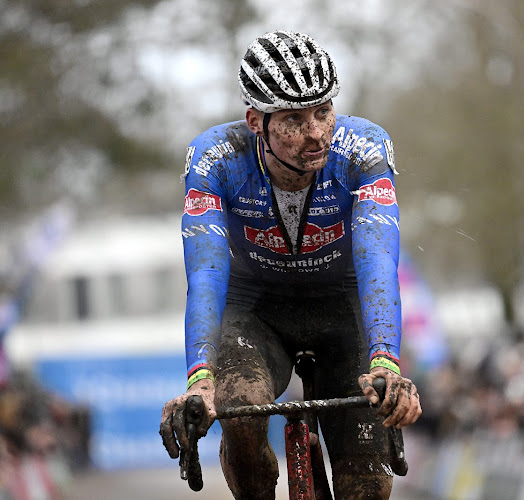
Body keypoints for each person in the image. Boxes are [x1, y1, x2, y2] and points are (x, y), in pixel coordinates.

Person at [159, 30, 422, 499]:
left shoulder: (363, 148)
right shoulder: (216, 159)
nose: (316, 132)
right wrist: (200, 380)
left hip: (342, 310)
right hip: (257, 312)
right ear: (256, 121)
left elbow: (378, 259)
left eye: (323, 112)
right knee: (240, 410)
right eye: (294, 120)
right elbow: (205, 274)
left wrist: (386, 360)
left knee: (366, 484)